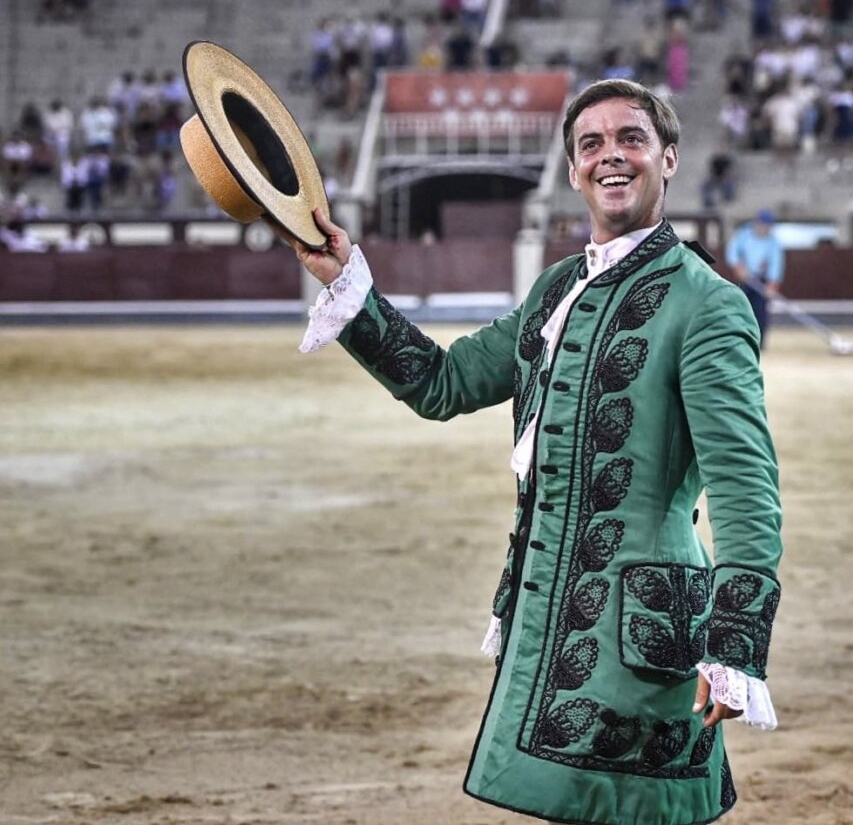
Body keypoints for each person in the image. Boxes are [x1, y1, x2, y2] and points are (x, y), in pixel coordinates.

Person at [271, 79, 783, 824]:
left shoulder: (708, 302)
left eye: (631, 139)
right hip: (548, 613)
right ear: (574, 172)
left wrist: (735, 644)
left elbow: (744, 483)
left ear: (668, 160)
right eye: (591, 145)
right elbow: (442, 384)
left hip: (647, 627)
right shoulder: (555, 290)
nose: (611, 157)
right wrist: (348, 282)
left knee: (634, 810)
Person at [725, 209, 784, 349]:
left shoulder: (773, 242)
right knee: (740, 309)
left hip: (761, 280)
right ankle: (739, 341)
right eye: (763, 225)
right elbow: (732, 251)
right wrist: (738, 266)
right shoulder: (744, 234)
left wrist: (772, 284)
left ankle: (759, 343)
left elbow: (776, 263)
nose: (765, 229)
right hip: (743, 279)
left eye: (768, 226)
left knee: (760, 312)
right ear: (757, 223)